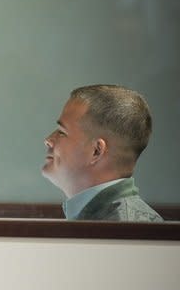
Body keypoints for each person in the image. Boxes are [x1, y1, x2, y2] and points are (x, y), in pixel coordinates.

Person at [41, 84, 163, 222]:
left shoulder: (125, 232)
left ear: (96, 151)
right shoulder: (119, 225)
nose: (48, 140)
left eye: (62, 132)